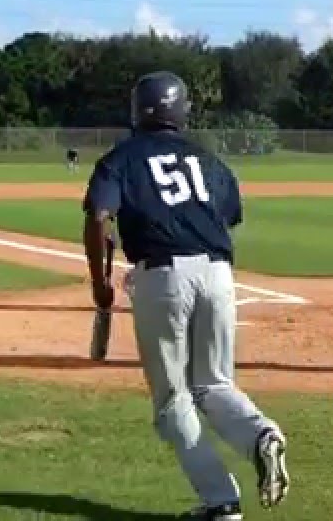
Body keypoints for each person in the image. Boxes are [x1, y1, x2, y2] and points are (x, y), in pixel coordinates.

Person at [82, 70, 289, 520]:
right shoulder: (209, 160)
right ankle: (261, 436)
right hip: (218, 274)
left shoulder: (121, 158)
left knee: (173, 399)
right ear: (182, 112)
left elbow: (99, 217)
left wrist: (100, 281)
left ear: (138, 111)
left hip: (163, 278)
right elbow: (229, 214)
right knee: (214, 383)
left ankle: (221, 502)